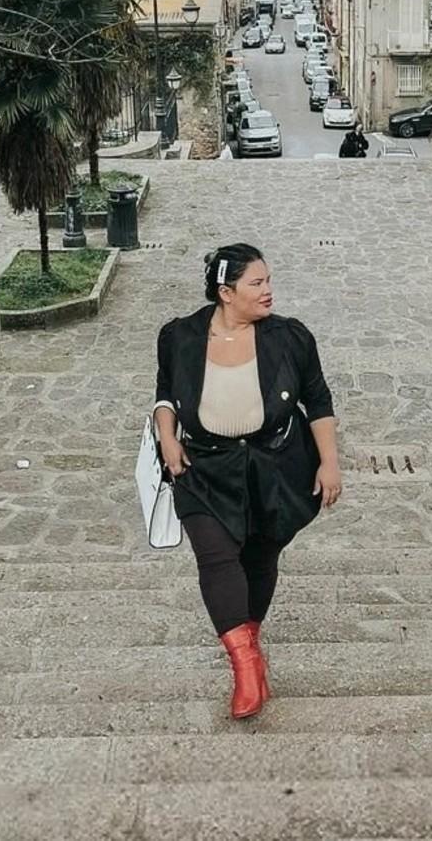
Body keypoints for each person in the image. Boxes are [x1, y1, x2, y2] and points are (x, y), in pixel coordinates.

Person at [153, 244, 342, 720]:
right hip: (204, 470)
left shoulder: (290, 337)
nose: (268, 290)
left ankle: (251, 641)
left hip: (276, 468)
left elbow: (318, 400)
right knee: (216, 558)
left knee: (259, 558)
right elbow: (165, 392)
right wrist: (166, 436)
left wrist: (329, 463)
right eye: (256, 283)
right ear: (226, 291)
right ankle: (245, 665)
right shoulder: (180, 336)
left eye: (268, 280)